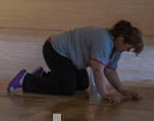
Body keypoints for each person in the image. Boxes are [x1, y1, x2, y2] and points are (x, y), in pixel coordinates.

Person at [8, 21, 143, 103]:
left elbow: (110, 70)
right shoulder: (104, 41)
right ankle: (26, 80)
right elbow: (97, 70)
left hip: (71, 58)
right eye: (129, 47)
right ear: (120, 39)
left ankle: (42, 76)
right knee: (67, 88)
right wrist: (105, 94)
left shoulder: (117, 49)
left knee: (82, 84)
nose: (128, 50)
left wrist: (122, 90)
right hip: (55, 50)